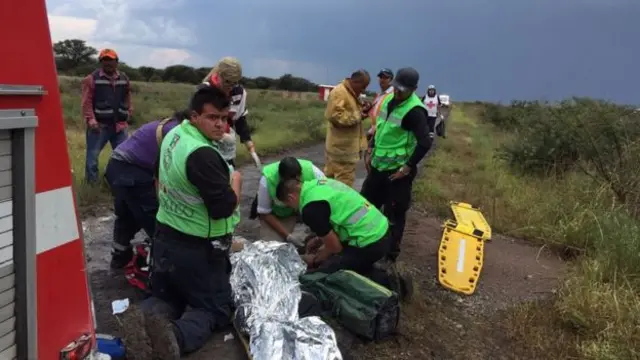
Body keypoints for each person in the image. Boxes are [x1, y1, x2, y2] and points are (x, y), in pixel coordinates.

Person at [122, 86, 241, 359]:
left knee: (169, 297)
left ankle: (141, 321)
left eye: (224, 118)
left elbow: (157, 178)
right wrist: (235, 183)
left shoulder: (174, 135)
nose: (220, 124)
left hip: (166, 238)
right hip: (198, 249)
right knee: (213, 309)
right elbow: (222, 209)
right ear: (195, 116)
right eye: (212, 118)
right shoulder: (202, 154)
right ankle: (173, 339)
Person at [276, 177, 412, 300]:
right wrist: (319, 239)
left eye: (289, 205)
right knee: (343, 261)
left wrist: (316, 260)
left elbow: (335, 247)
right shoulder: (318, 183)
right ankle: (371, 268)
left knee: (324, 275)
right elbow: (334, 215)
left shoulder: (309, 209)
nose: (293, 209)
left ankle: (391, 283)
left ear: (291, 197)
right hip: (381, 228)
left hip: (371, 242)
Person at [361, 67, 435, 263]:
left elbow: (425, 143)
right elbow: (381, 129)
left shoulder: (415, 111)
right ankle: (364, 243)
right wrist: (370, 149)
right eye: (397, 88)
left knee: (393, 214)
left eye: (403, 89)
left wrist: (408, 166)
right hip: (377, 167)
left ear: (414, 89)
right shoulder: (388, 100)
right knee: (366, 206)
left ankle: (389, 256)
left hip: (397, 174)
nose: (398, 92)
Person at [104, 110, 185, 269]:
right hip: (131, 171)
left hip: (117, 167)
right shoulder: (177, 132)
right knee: (154, 215)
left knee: (128, 213)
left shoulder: (167, 124)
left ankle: (120, 255)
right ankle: (167, 265)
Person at [81, 48, 132, 184]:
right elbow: (86, 102)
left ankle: (119, 182)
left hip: (119, 126)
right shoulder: (91, 79)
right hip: (99, 126)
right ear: (101, 62)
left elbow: (127, 97)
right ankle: (92, 185)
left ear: (117, 62)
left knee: (124, 156)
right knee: (92, 157)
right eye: (105, 60)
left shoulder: (124, 78)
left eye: (111, 60)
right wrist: (91, 120)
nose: (108, 63)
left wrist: (128, 113)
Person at [251, 156, 325, 245]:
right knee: (271, 245)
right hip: (280, 214)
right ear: (281, 178)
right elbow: (265, 213)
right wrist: (288, 236)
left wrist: (320, 234)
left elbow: (328, 197)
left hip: (310, 208)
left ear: (300, 174)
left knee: (325, 238)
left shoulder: (314, 173)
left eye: (297, 182)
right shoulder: (267, 180)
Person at [200, 57, 260, 168]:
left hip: (227, 147)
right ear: (219, 75)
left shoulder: (239, 93)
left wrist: (249, 144)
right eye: (227, 82)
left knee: (230, 177)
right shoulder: (205, 91)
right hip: (205, 144)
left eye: (234, 83)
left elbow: (239, 119)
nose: (230, 87)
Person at [324, 69, 371, 187]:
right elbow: (335, 116)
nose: (364, 90)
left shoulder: (349, 93)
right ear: (356, 82)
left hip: (341, 149)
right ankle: (337, 205)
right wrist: (359, 115)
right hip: (342, 151)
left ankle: (327, 204)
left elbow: (349, 112)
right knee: (343, 186)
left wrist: (362, 110)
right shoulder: (340, 92)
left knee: (330, 183)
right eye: (363, 86)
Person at [367, 68, 395, 140]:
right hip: (375, 131)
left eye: (386, 78)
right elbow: (375, 112)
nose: (382, 79)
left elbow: (395, 118)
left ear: (391, 80)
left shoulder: (394, 95)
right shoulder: (379, 95)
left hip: (385, 134)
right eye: (381, 77)